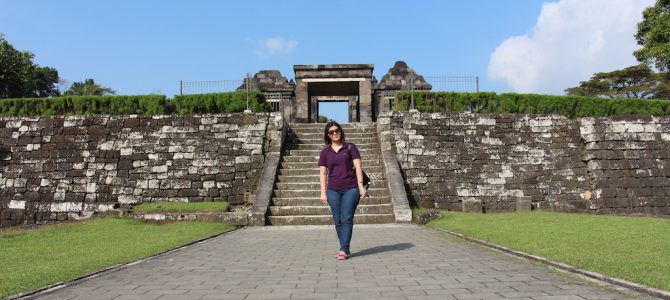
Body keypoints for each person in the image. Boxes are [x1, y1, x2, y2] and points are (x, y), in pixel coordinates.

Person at [318, 121, 367, 260]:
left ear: (340, 131)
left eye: (336, 130)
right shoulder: (325, 152)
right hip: (333, 190)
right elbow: (323, 173)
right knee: (338, 220)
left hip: (351, 188)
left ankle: (343, 249)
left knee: (346, 218)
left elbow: (358, 167)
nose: (334, 133)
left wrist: (361, 186)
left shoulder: (350, 147)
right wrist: (323, 192)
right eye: (331, 132)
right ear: (327, 135)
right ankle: (345, 247)